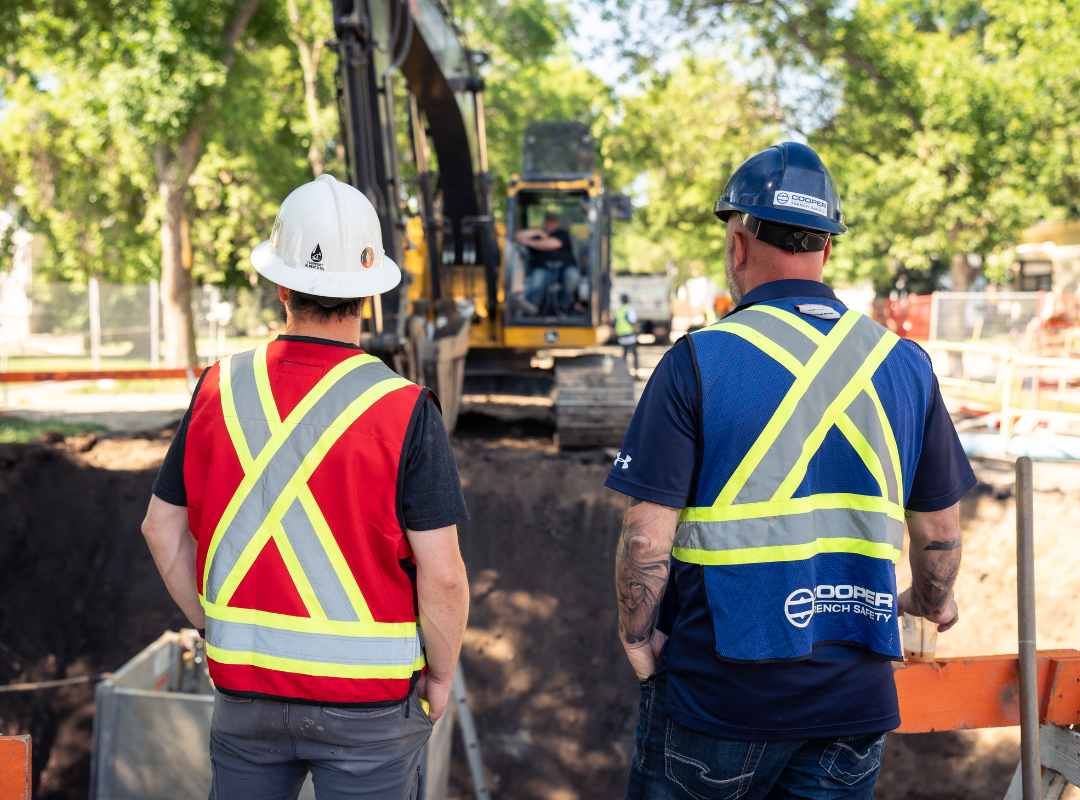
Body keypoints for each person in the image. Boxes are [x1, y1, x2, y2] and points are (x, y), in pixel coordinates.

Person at [607, 142, 974, 799]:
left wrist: (638, 640)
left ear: (739, 242)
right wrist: (929, 601)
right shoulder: (905, 365)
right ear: (827, 248)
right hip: (850, 705)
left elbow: (644, 541)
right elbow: (941, 537)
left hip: (720, 699)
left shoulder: (698, 361)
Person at [141, 174, 471, 800]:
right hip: (370, 708)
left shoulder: (218, 386)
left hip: (246, 697)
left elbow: (160, 529)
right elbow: (444, 575)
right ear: (370, 290)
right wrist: (441, 674)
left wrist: (222, 632)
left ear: (279, 282)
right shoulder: (403, 407)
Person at [514, 211, 579, 313]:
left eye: (552, 222)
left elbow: (551, 244)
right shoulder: (537, 236)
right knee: (538, 277)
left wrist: (528, 242)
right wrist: (538, 233)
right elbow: (518, 236)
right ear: (543, 223)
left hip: (564, 267)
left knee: (572, 275)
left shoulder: (562, 234)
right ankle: (531, 307)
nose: (550, 224)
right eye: (547, 222)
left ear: (556, 223)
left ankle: (563, 305)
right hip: (542, 267)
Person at [615, 293, 639, 375]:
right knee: (634, 355)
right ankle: (635, 374)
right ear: (627, 300)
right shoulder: (629, 309)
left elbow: (616, 322)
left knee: (624, 356)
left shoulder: (618, 310)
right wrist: (636, 332)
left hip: (621, 336)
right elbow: (633, 322)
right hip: (630, 335)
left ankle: (623, 374)